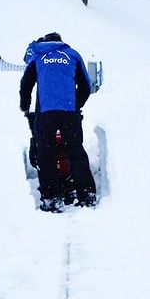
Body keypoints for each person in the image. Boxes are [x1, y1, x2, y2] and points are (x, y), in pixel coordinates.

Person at [20, 32, 97, 210]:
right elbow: (86, 85)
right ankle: (87, 195)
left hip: (45, 114)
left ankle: (51, 199)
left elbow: (26, 83)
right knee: (76, 152)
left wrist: (25, 106)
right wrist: (76, 105)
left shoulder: (38, 55)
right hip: (69, 112)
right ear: (60, 41)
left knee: (45, 155)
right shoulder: (72, 54)